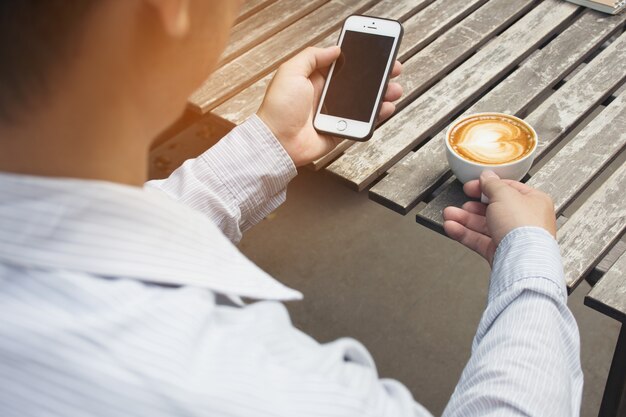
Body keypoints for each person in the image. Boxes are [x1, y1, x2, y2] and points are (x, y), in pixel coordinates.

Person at [0, 1, 583, 416]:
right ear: (166, 8)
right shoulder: (241, 384)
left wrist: (269, 146)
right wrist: (531, 261)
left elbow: (96, 236)